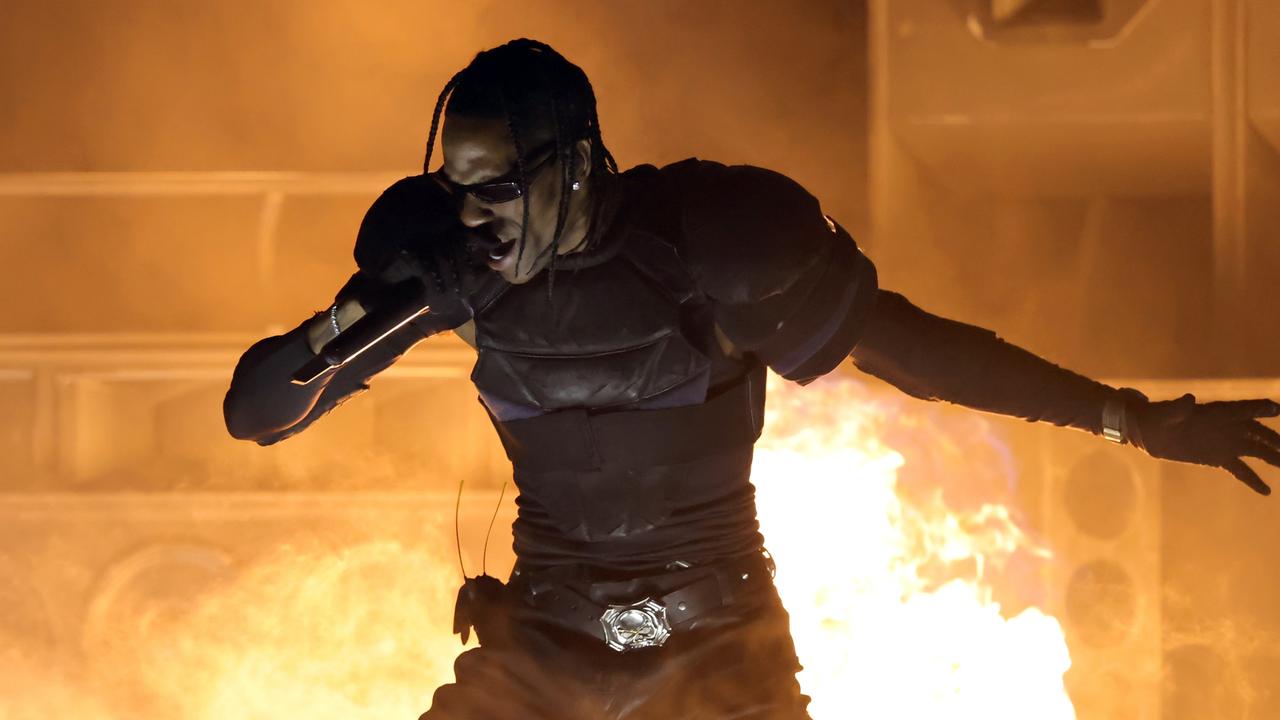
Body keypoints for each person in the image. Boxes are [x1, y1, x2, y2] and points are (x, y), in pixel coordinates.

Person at [222, 39, 1280, 719]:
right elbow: (255, 414)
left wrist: (1127, 421)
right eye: (453, 189)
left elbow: (911, 348)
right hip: (538, 649)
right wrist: (360, 318)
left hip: (716, 651)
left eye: (493, 188)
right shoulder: (447, 261)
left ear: (573, 165)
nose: (470, 216)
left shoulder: (708, 235)